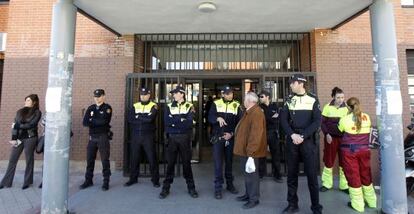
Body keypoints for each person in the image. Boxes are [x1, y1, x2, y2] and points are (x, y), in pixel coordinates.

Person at [280, 74, 323, 214]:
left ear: (300, 83)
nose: (290, 85)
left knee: (312, 176)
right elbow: (283, 120)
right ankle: (292, 204)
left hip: (307, 141)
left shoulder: (313, 99)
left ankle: (316, 207)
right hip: (292, 140)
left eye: (292, 83)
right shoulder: (289, 100)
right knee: (291, 175)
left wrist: (303, 136)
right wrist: (292, 134)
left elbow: (317, 121)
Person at [338, 97, 377, 212]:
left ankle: (358, 205)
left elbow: (339, 130)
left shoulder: (345, 119)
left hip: (349, 152)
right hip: (365, 151)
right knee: (366, 175)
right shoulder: (367, 117)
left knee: (353, 176)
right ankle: (371, 201)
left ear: (348, 107)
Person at [159, 85, 198, 199]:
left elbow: (190, 123)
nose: (174, 95)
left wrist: (174, 122)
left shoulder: (189, 106)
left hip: (185, 138)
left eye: (176, 93)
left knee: (186, 164)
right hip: (172, 138)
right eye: (173, 94)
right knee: (170, 164)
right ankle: (165, 189)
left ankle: (191, 188)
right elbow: (167, 121)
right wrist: (181, 120)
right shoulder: (169, 106)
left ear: (182, 94)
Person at [0, 94, 41, 190]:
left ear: (34, 102)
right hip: (19, 138)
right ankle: (6, 182)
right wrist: (14, 138)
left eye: (28, 100)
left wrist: (19, 125)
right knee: (12, 159)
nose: (26, 102)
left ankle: (27, 181)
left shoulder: (37, 112)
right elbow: (15, 126)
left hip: (30, 138)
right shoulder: (19, 112)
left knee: (29, 159)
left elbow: (32, 124)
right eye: (25, 100)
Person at [234, 92, 267, 209]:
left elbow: (256, 135)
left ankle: (254, 199)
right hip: (246, 151)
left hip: (251, 152)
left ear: (250, 101)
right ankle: (248, 195)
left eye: (245, 99)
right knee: (248, 175)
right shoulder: (249, 111)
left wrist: (251, 153)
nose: (243, 101)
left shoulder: (256, 113)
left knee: (252, 175)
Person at [208, 85, 242, 199]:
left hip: (230, 138)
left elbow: (240, 123)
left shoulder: (236, 105)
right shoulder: (216, 103)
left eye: (231, 93)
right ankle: (218, 188)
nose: (230, 95)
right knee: (218, 164)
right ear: (222, 94)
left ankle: (230, 185)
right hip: (218, 138)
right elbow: (209, 117)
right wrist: (217, 118)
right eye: (227, 93)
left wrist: (231, 134)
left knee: (229, 162)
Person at [124, 87, 160, 188]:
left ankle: (155, 180)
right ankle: (133, 179)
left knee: (152, 158)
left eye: (145, 95)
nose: (143, 96)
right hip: (136, 135)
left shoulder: (154, 106)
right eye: (141, 95)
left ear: (149, 95)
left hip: (148, 135)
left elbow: (150, 119)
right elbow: (130, 119)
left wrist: (138, 116)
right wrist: (143, 117)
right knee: (134, 157)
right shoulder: (135, 105)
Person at [80, 89, 112, 191]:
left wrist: (91, 120)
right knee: (90, 160)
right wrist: (96, 121)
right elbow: (85, 122)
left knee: (104, 160)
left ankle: (106, 181)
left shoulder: (107, 108)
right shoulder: (91, 108)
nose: (97, 98)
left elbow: (104, 121)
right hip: (92, 138)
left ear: (103, 96)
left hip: (103, 137)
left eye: (99, 96)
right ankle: (88, 180)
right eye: (95, 96)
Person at [320, 87, 349, 193]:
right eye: (338, 97)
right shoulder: (327, 107)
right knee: (328, 160)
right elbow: (322, 123)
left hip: (344, 139)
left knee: (344, 162)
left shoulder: (347, 109)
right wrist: (326, 134)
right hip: (330, 139)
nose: (341, 100)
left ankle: (344, 185)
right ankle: (327, 184)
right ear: (333, 97)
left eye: (342, 97)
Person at [258, 90, 283, 183]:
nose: (260, 98)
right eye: (260, 97)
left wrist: (268, 118)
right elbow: (261, 120)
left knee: (276, 155)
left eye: (262, 96)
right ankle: (261, 173)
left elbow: (277, 119)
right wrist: (271, 117)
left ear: (267, 97)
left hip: (273, 133)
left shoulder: (274, 106)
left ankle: (277, 175)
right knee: (261, 154)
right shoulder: (259, 107)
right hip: (262, 133)